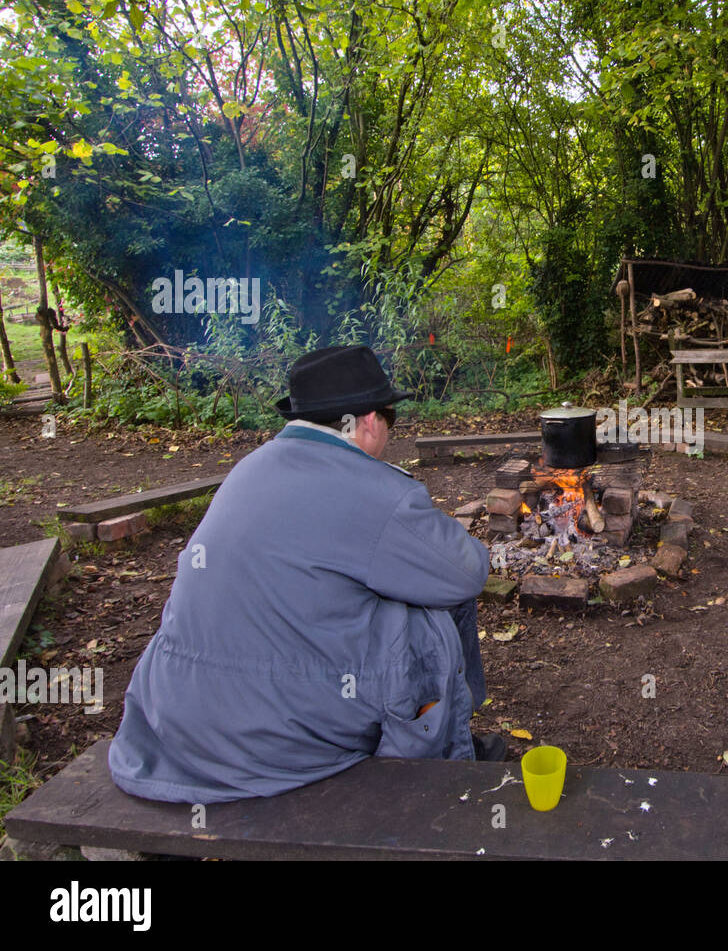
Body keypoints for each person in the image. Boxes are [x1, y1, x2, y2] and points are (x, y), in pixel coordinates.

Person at [109, 345, 502, 805]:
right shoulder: (376, 490)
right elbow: (468, 571)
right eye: (391, 421)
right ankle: (447, 747)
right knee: (438, 606)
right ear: (370, 421)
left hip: (175, 727)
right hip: (280, 745)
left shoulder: (247, 469)